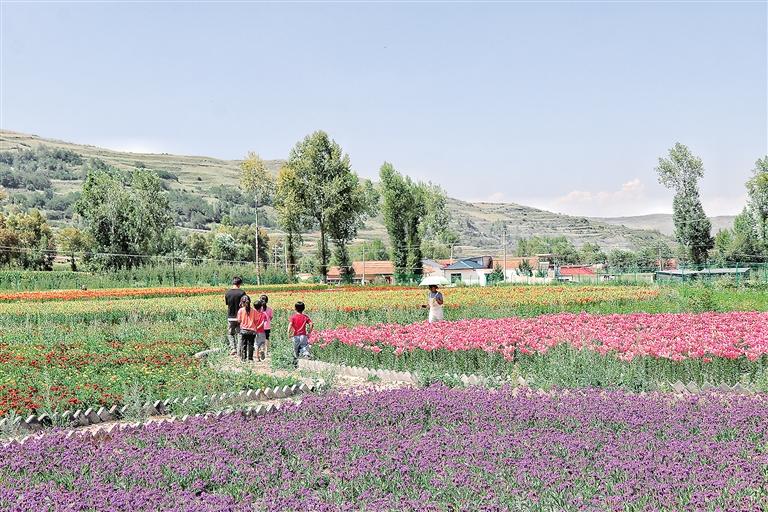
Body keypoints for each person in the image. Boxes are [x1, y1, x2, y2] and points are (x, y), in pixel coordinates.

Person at [237, 295, 265, 362]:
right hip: (252, 330)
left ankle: (243, 358)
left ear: (242, 302)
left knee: (244, 345)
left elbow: (239, 320)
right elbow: (256, 320)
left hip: (243, 330)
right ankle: (250, 358)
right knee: (251, 344)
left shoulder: (240, 310)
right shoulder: (254, 311)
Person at [224, 276, 246, 356]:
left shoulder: (227, 293)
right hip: (240, 317)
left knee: (230, 333)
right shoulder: (242, 293)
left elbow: (227, 303)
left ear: (233, 282)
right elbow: (245, 304)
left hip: (230, 317)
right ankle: (239, 350)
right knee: (240, 334)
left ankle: (233, 348)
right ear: (240, 284)